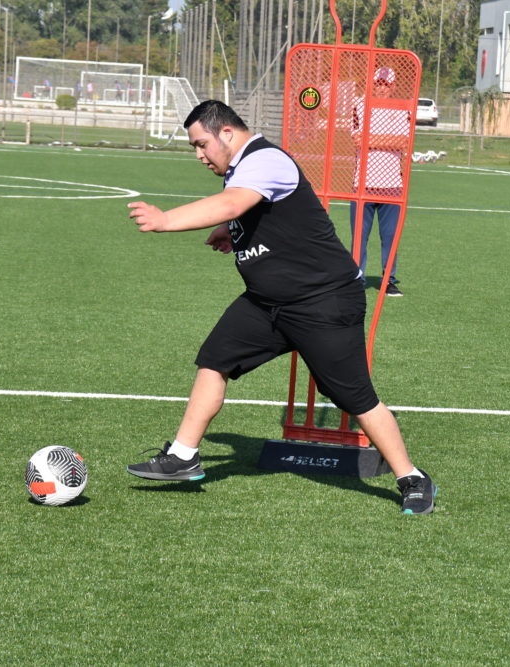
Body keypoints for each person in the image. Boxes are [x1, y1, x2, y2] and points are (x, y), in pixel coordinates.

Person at [125, 100, 437, 515]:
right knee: (214, 361)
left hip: (322, 301)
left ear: (227, 133)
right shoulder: (242, 167)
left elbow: (233, 203)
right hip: (266, 302)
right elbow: (257, 211)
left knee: (354, 397)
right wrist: (232, 231)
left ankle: (412, 478)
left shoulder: (265, 159)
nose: (199, 155)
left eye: (201, 144)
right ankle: (183, 457)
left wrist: (166, 220)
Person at [349, 67, 410, 297]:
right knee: (359, 237)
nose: (382, 88)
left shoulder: (402, 108)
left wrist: (372, 139)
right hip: (363, 183)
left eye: (386, 84)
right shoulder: (360, 105)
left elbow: (403, 142)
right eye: (378, 83)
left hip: (392, 185)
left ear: (393, 86)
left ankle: (388, 281)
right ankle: (357, 279)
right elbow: (357, 140)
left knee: (390, 236)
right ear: (372, 84)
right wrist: (387, 139)